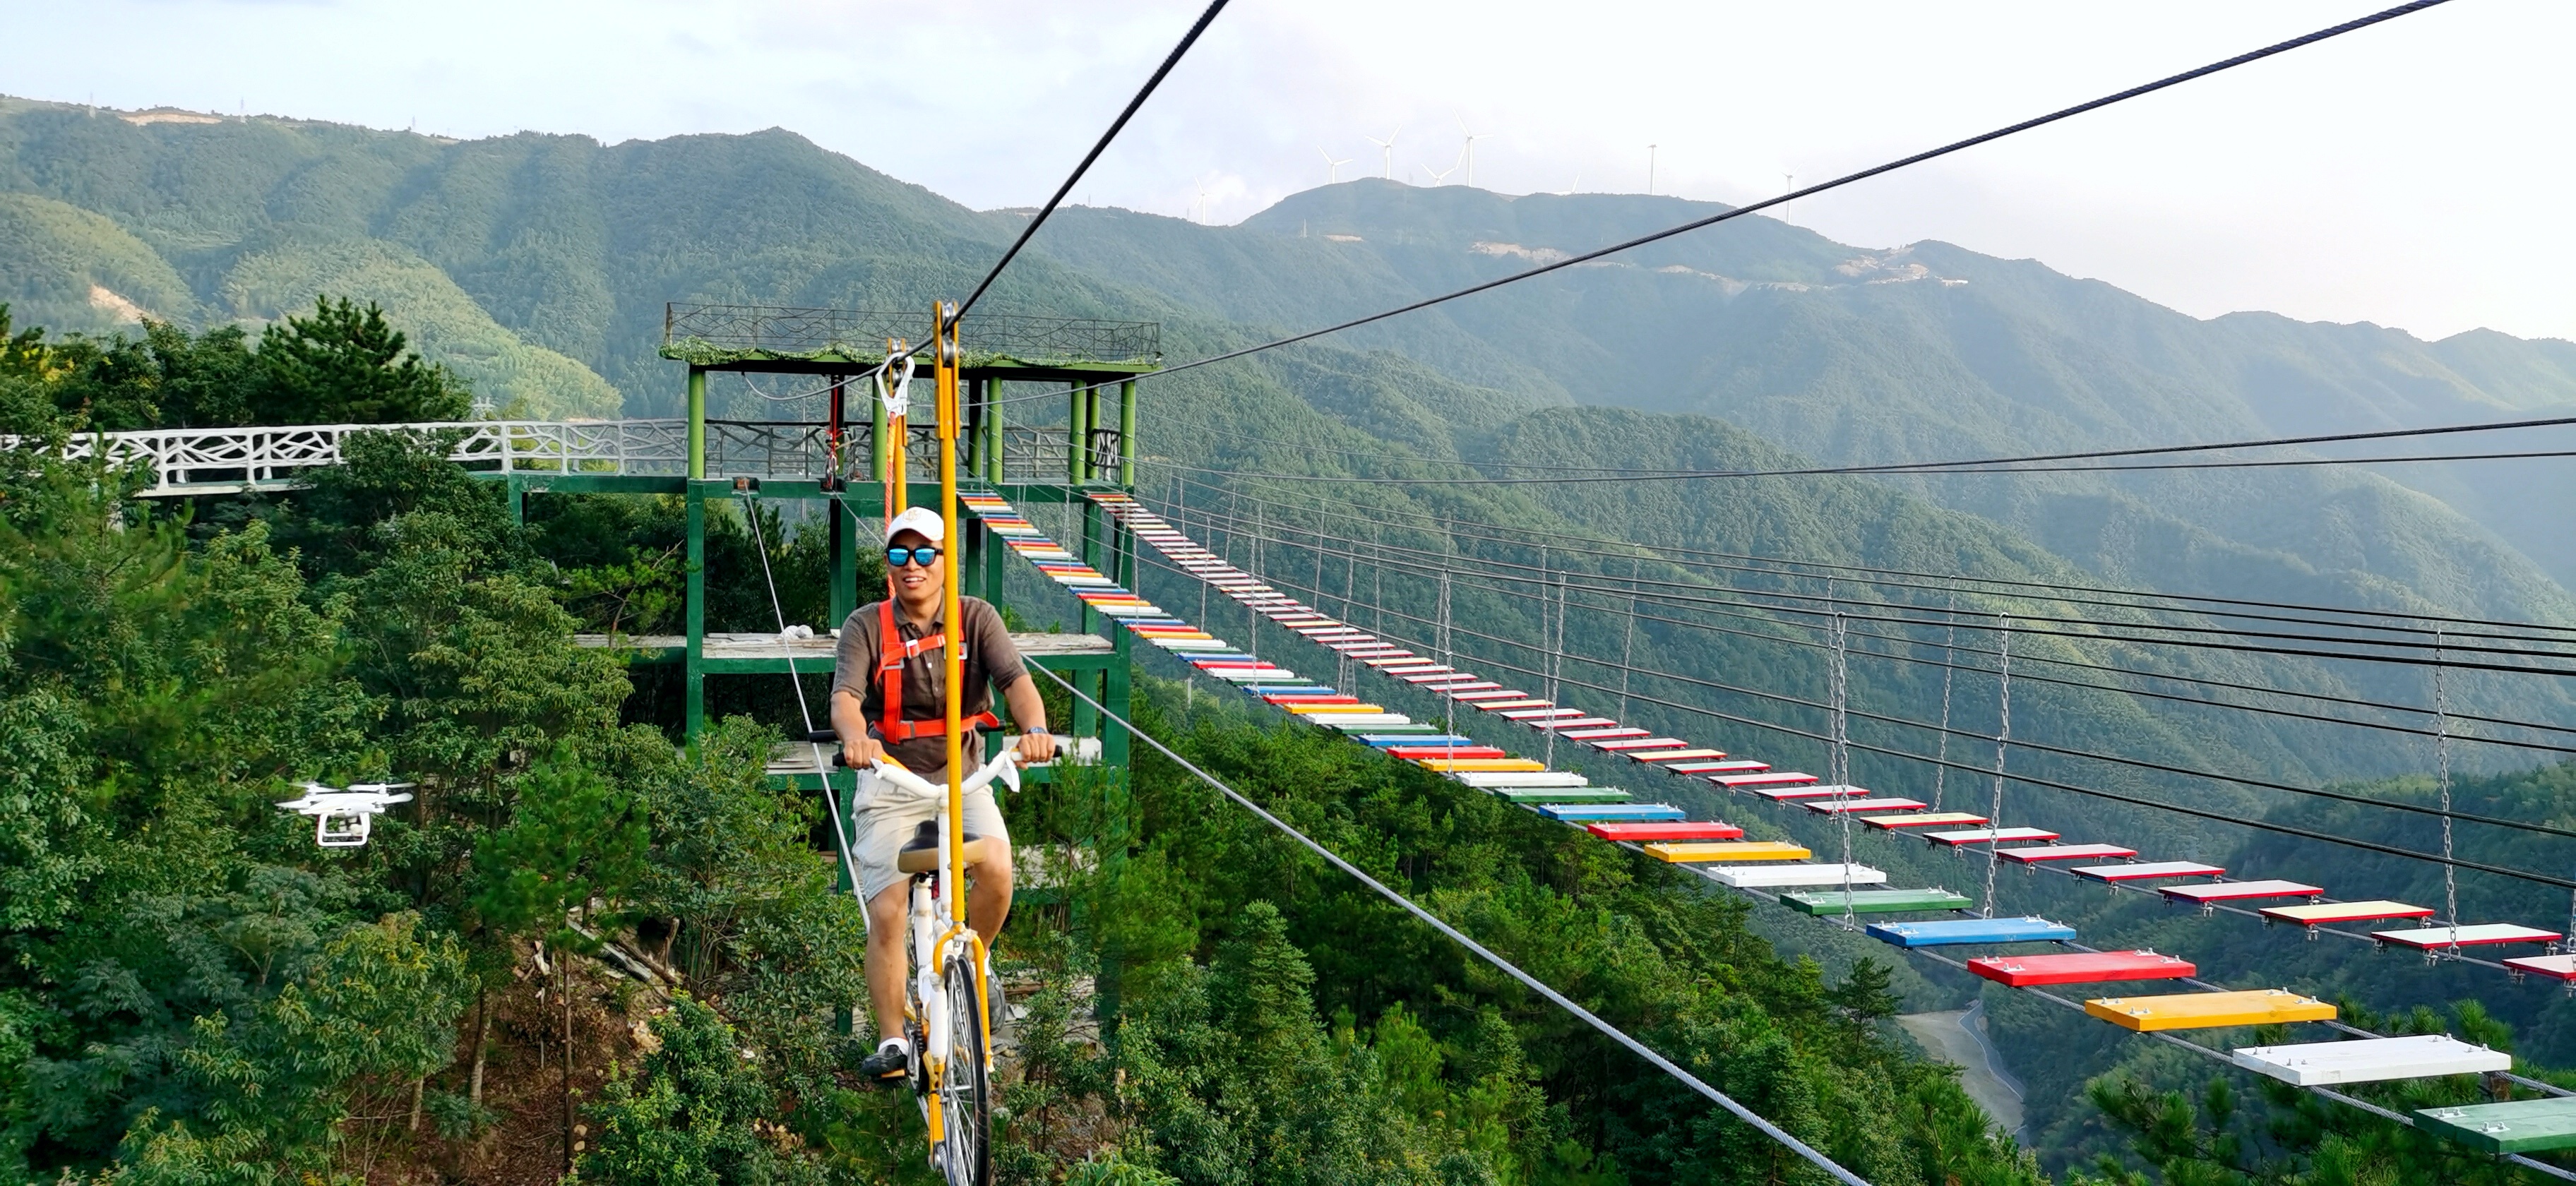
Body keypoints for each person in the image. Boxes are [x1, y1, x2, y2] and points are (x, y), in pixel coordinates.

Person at [830, 505, 1056, 1084]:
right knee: (888, 908)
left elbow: (1016, 684)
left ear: (944, 562)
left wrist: (1033, 730)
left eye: (925, 553)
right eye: (901, 554)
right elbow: (846, 698)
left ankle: (972, 969)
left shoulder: (975, 619)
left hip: (962, 780)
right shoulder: (865, 626)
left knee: (999, 871)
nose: (913, 566)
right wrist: (856, 740)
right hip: (892, 783)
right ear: (888, 564)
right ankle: (890, 1040)